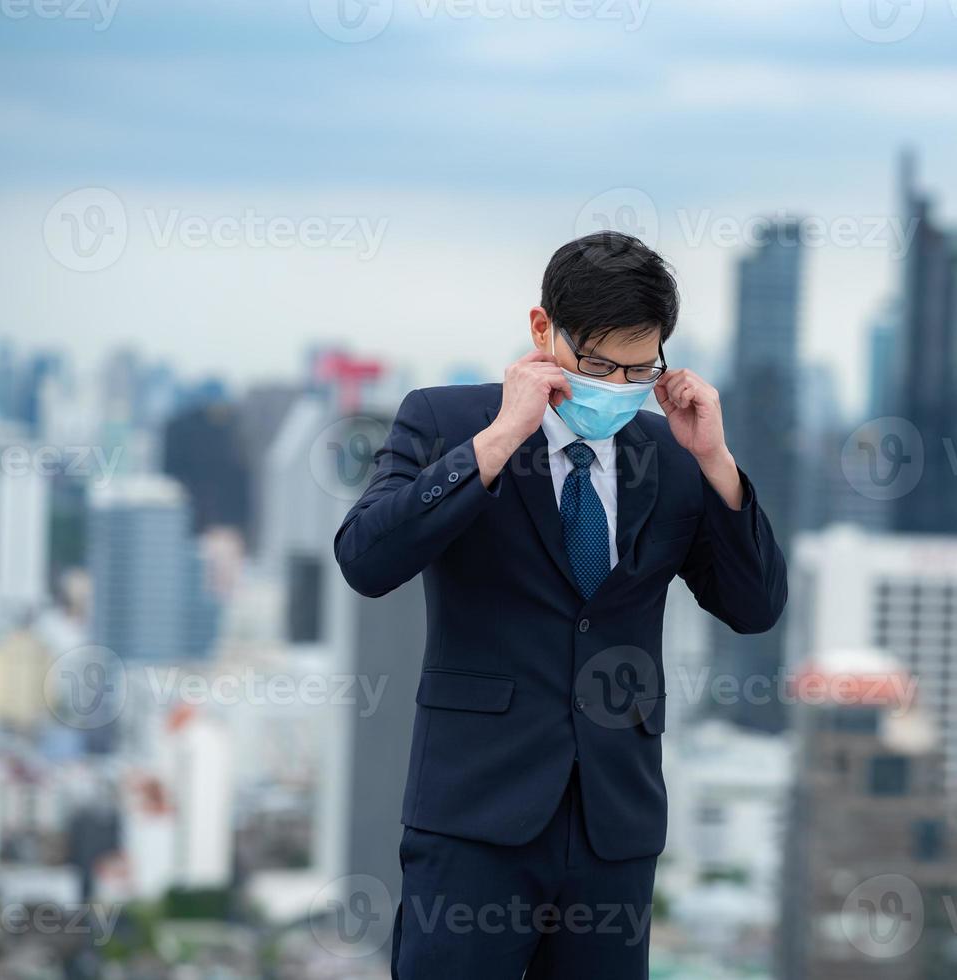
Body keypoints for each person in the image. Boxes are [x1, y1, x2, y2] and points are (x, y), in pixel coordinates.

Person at [333, 231, 788, 979]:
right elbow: (365, 559)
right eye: (602, 365)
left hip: (614, 827)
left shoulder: (672, 455)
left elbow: (755, 604)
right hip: (474, 814)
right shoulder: (444, 422)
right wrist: (502, 436)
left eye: (641, 369)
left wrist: (715, 460)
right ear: (544, 331)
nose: (619, 385)